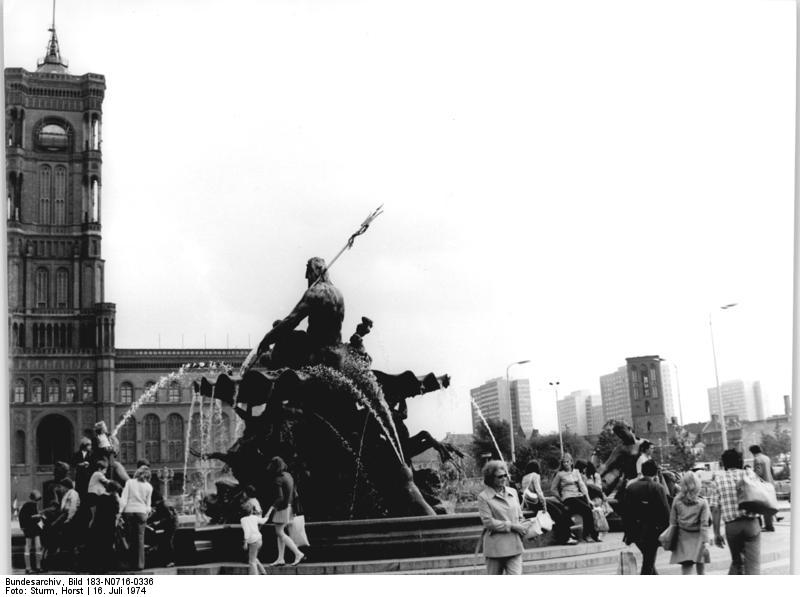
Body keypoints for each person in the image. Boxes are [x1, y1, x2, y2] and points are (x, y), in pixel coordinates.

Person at [245, 257, 345, 372]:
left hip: (317, 353)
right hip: (336, 353)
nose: (307, 278)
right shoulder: (339, 294)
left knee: (280, 328)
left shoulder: (315, 292)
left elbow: (291, 321)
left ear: (317, 271)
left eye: (308, 274)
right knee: (287, 330)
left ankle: (274, 363)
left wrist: (267, 339)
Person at [710, 448, 761, 575]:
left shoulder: (718, 480)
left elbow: (715, 509)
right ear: (740, 461)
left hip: (732, 527)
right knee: (752, 564)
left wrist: (716, 533)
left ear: (724, 463)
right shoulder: (750, 475)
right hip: (751, 523)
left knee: (737, 562)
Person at [477, 460, 527, 575]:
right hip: (495, 548)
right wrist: (513, 526)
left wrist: (527, 529)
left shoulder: (513, 492)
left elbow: (520, 516)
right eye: (500, 476)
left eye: (505, 475)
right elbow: (488, 522)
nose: (504, 478)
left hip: (514, 545)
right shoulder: (483, 497)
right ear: (490, 478)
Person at [623, 459, 670, 574]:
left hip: (635, 530)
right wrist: (668, 530)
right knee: (648, 562)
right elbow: (665, 511)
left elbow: (625, 512)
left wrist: (627, 532)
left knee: (648, 559)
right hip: (653, 531)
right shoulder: (657, 488)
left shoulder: (631, 488)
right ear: (655, 472)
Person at [263, 457, 306, 566]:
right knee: (280, 533)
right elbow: (294, 493)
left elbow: (280, 498)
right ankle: (280, 558)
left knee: (279, 532)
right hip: (290, 507)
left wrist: (270, 510)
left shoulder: (278, 479)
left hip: (282, 508)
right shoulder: (289, 476)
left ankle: (298, 553)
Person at [669, 471, 711, 575]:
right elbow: (704, 524)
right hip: (699, 539)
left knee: (686, 570)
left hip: (682, 539)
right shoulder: (703, 502)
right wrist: (706, 541)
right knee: (701, 572)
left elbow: (673, 521)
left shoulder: (676, 500)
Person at [551, 453, 599, 542]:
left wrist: (588, 499)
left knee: (589, 508)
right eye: (564, 462)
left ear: (571, 462)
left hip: (578, 495)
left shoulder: (576, 472)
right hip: (568, 497)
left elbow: (582, 486)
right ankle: (587, 535)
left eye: (567, 462)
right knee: (586, 509)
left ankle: (594, 535)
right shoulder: (560, 474)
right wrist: (560, 498)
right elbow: (553, 489)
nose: (565, 464)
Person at [119, 466, 153, 571]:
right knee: (140, 539)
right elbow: (148, 504)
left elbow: (123, 498)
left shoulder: (130, 482)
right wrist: (146, 513)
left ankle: (128, 564)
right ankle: (139, 565)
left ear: (137, 473)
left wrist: (120, 512)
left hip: (129, 511)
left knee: (129, 538)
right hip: (141, 512)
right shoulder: (149, 486)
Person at [748, 445, 775, 532]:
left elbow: (759, 472)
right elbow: (771, 470)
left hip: (763, 484)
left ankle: (769, 526)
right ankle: (770, 524)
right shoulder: (766, 458)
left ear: (752, 452)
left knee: (764, 506)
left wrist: (751, 475)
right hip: (770, 483)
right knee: (769, 504)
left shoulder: (757, 459)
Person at [240, 500, 270, 575]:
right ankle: (263, 572)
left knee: (251, 561)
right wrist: (268, 514)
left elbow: (247, 531)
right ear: (252, 511)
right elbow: (263, 521)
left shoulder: (243, 520)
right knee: (254, 557)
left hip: (253, 541)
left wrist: (245, 543)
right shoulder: (254, 517)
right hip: (259, 540)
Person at [147, 497, 178, 568]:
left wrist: (158, 522)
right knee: (166, 541)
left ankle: (171, 561)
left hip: (171, 525)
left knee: (168, 542)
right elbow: (156, 515)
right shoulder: (161, 505)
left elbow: (170, 516)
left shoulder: (163, 505)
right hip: (169, 524)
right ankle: (167, 560)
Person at [19, 490, 44, 573]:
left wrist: (22, 527)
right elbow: (33, 517)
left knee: (29, 547)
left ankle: (29, 568)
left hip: (29, 528)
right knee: (37, 546)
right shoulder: (32, 505)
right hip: (32, 528)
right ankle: (37, 567)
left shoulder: (27, 505)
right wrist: (40, 518)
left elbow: (22, 516)